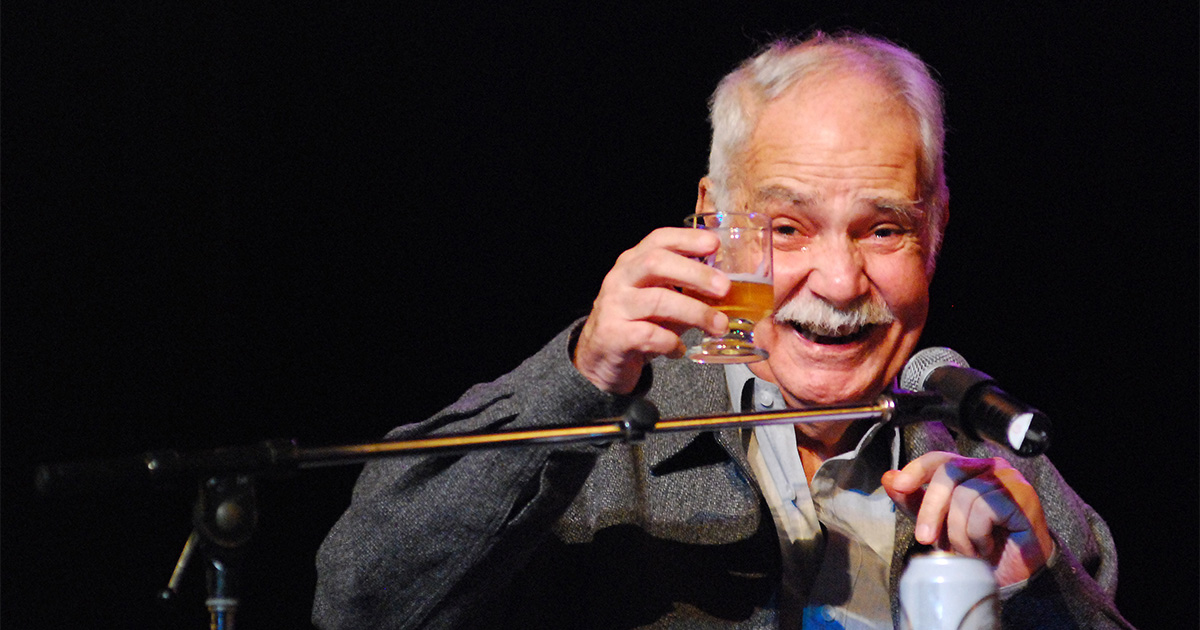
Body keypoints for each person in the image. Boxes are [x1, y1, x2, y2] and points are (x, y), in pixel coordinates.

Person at [312, 32, 1132, 629]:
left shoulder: (991, 456)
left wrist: (1042, 591)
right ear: (713, 220)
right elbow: (359, 601)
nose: (841, 283)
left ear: (937, 229)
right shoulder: (597, 433)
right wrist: (581, 378)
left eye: (884, 230)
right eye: (787, 229)